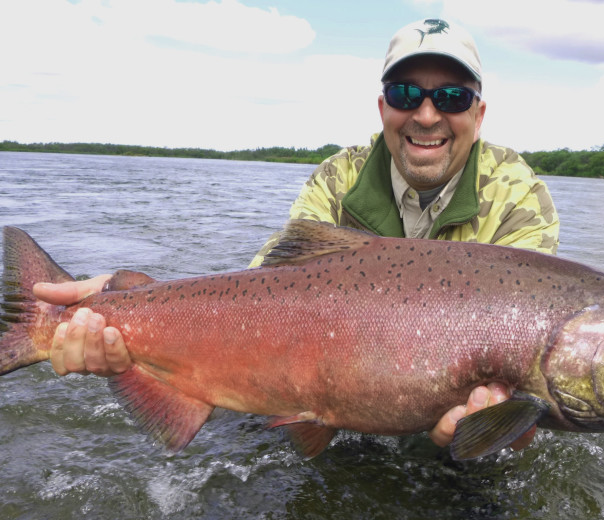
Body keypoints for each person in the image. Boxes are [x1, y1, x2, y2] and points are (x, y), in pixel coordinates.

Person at [33, 19, 559, 454]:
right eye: (405, 93)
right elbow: (268, 289)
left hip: (436, 410)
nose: (426, 114)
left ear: (478, 112)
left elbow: (524, 373)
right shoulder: (338, 176)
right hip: (323, 404)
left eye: (450, 96)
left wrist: (489, 430)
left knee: (491, 463)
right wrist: (122, 304)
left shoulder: (518, 194)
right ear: (383, 108)